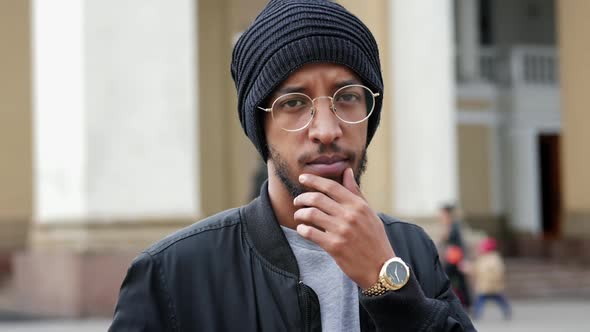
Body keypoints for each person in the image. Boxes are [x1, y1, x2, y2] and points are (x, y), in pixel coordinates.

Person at [109, 1, 476, 331]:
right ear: (260, 126)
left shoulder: (410, 249)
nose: (327, 130)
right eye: (294, 103)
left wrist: (389, 284)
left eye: (347, 97)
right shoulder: (174, 274)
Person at [439, 204, 472, 309]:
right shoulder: (451, 224)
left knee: (445, 277)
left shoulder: (453, 225)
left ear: (447, 213)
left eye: (442, 213)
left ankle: (460, 302)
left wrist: (464, 259)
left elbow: (459, 243)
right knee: (460, 280)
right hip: (453, 257)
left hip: (455, 258)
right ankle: (466, 302)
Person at [472, 237, 511, 320]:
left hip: (492, 284)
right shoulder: (482, 258)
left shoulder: (494, 258)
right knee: (481, 300)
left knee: (498, 298)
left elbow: (499, 271)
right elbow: (476, 269)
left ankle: (506, 310)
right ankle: (476, 313)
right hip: (484, 284)